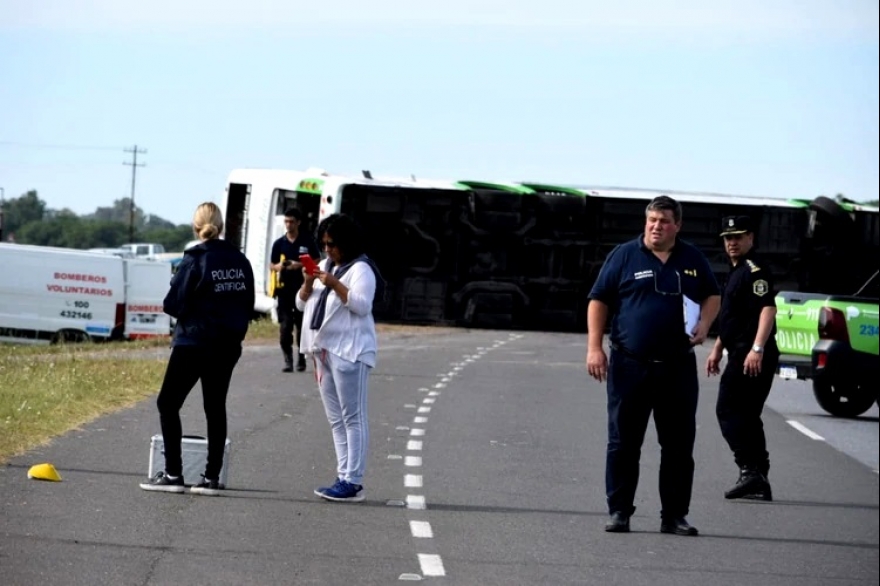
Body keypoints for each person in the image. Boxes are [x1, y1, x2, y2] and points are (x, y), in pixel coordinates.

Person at [586, 195, 721, 536]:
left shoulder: (692, 258)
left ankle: (674, 516)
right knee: (623, 443)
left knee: (677, 445)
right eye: (651, 220)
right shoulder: (624, 255)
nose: (656, 226)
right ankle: (619, 511)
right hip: (629, 365)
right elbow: (599, 299)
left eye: (663, 221)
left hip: (676, 367)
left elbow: (712, 294)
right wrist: (594, 348)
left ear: (677, 225)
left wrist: (705, 324)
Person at [140, 202, 255, 496]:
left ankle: (174, 473)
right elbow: (248, 304)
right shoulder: (241, 261)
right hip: (227, 345)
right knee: (215, 408)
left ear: (196, 228)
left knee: (168, 404)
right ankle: (212, 478)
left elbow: (172, 305)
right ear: (222, 227)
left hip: (193, 341)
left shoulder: (194, 258)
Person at [296, 213, 383, 502]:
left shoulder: (361, 269)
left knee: (353, 417)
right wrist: (309, 282)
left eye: (332, 244)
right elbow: (300, 303)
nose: (328, 250)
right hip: (323, 350)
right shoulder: (323, 265)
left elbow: (361, 305)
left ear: (346, 242)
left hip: (350, 351)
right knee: (336, 420)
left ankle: (353, 481)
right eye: (323, 244)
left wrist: (335, 284)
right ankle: (343, 474)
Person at [706, 215, 778, 501]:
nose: (732, 242)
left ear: (751, 238)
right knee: (748, 415)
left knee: (727, 409)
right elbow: (734, 316)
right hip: (740, 349)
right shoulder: (735, 271)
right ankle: (759, 475)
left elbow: (767, 310)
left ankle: (749, 471)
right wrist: (717, 348)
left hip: (750, 354)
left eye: (738, 237)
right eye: (728, 238)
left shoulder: (754, 270)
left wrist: (756, 349)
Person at [270, 207, 321, 372]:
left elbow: (317, 260)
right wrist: (281, 266)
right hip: (284, 291)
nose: (288, 225)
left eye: (292, 221)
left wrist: (299, 265)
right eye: (286, 221)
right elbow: (272, 264)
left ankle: (301, 359)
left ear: (298, 222)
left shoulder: (306, 241)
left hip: (302, 289)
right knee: (285, 326)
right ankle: (287, 359)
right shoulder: (279, 244)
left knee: (301, 325)